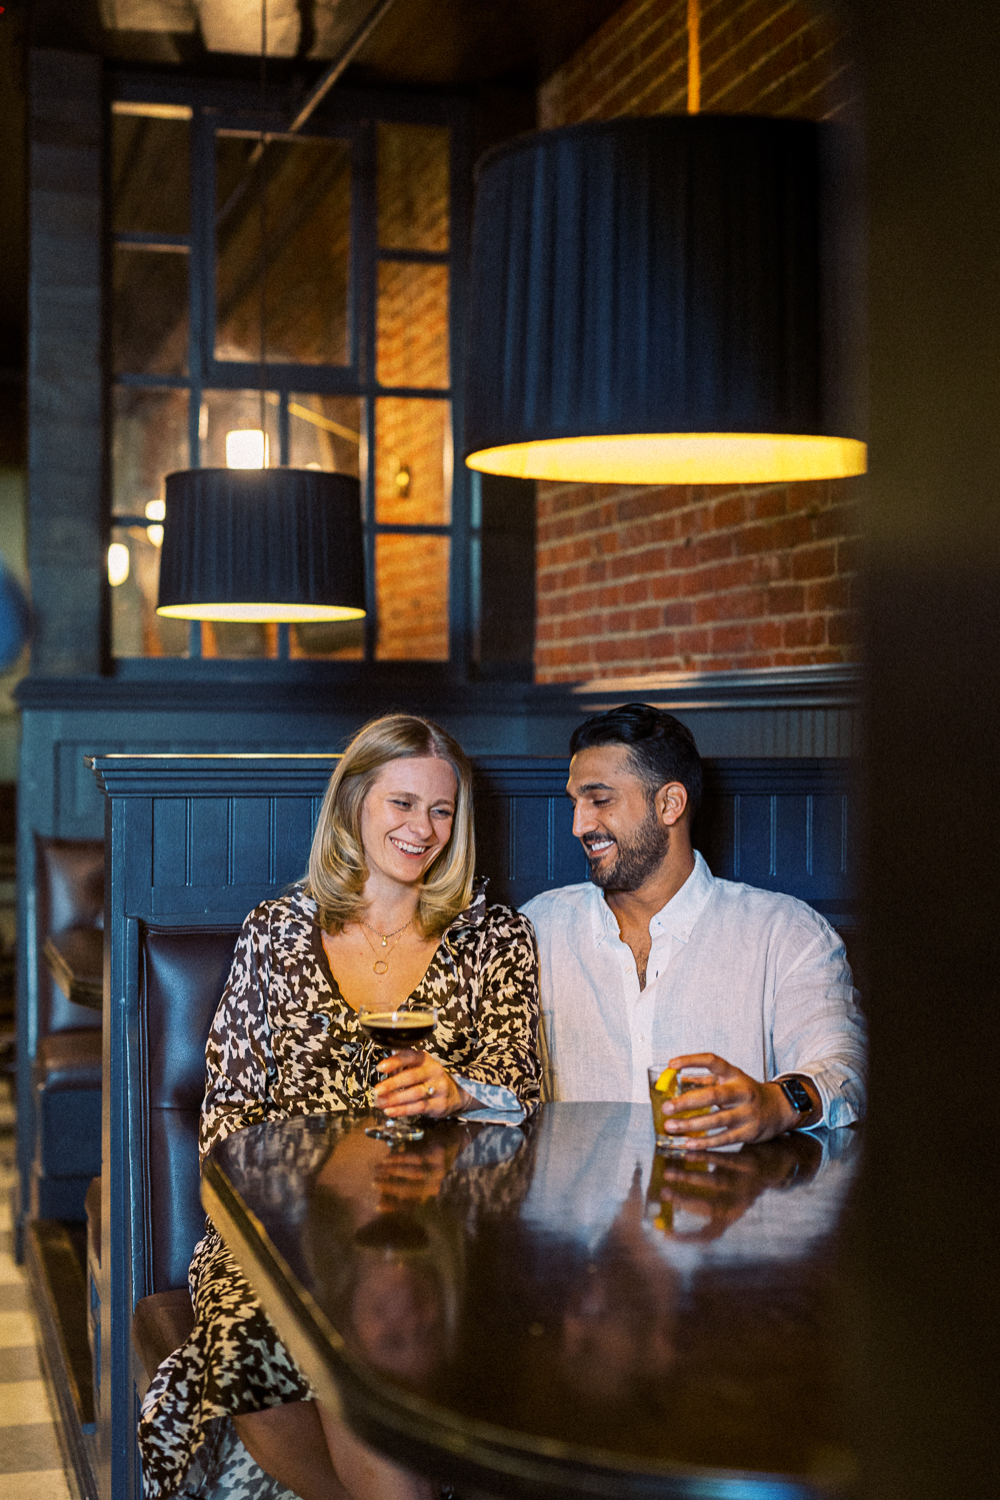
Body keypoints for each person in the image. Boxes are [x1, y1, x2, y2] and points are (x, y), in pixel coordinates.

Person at [138, 713, 540, 1500]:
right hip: (283, 1230)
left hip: (440, 1235)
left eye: (442, 810)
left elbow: (521, 1084)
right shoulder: (276, 932)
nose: (423, 828)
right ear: (355, 803)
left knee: (390, 1344)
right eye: (402, 803)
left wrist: (461, 1090)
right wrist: (310, 1203)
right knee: (250, 1337)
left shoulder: (493, 938)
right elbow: (228, 1115)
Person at [521, 703, 866, 1145]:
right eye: (575, 803)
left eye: (600, 800)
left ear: (670, 804)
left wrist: (777, 1102)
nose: (578, 825)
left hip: (729, 1187)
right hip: (569, 1192)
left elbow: (844, 1068)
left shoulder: (785, 933)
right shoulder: (537, 928)